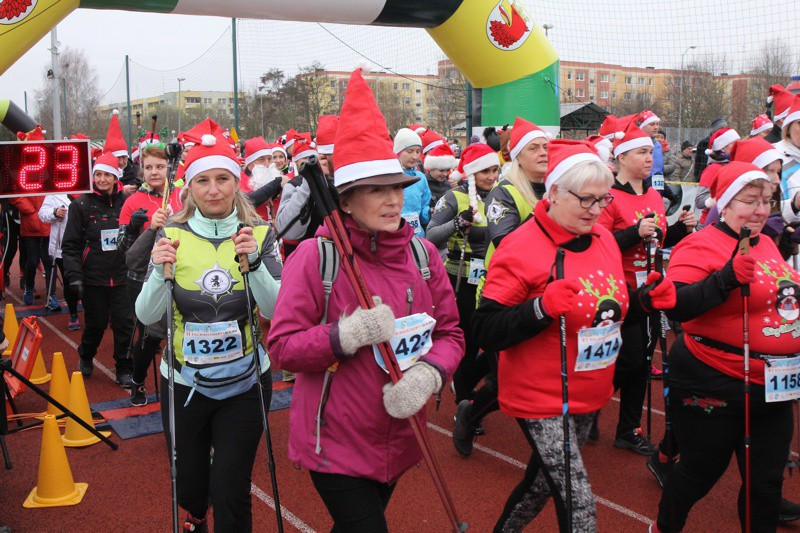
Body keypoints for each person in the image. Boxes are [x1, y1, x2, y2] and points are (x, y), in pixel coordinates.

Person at [267, 67, 463, 532]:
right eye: (377, 189)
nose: (393, 200)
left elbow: (451, 333)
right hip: (334, 443)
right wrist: (344, 334)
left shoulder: (423, 253)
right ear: (348, 201)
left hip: (401, 434)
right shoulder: (317, 258)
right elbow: (282, 347)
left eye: (397, 187)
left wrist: (431, 374)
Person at [472, 139, 676, 532]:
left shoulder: (602, 241)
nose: (598, 211)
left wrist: (646, 302)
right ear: (554, 193)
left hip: (589, 389)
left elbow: (609, 312)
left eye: (602, 201)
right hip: (540, 395)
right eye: (586, 200)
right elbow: (485, 328)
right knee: (580, 505)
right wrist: (539, 308)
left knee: (539, 488)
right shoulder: (520, 246)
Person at [136, 121, 282, 531]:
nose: (214, 190)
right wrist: (157, 270)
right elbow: (147, 315)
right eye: (203, 180)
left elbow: (276, 308)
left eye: (223, 179)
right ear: (189, 188)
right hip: (184, 384)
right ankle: (196, 516)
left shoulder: (260, 234)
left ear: (237, 183)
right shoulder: (171, 234)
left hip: (246, 383)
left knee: (231, 489)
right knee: (191, 488)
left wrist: (253, 264)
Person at [652, 162, 800, 532]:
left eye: (767, 200)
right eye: (750, 201)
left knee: (765, 484)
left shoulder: (766, 242)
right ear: (727, 203)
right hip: (713, 381)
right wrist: (725, 279)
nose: (761, 210)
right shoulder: (699, 243)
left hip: (774, 387)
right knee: (699, 474)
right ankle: (665, 527)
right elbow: (678, 304)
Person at [598, 119, 696, 454]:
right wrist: (632, 233)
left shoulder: (655, 195)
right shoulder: (609, 196)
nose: (648, 157)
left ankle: (627, 428)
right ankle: (590, 406)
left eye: (650, 152)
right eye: (641, 152)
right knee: (625, 360)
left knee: (639, 361)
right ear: (622, 157)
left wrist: (681, 229)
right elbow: (598, 244)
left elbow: (659, 239)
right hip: (617, 288)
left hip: (651, 288)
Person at [452, 117, 550, 455]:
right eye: (534, 148)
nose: (543, 152)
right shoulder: (503, 192)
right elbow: (506, 240)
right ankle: (469, 412)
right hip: (503, 295)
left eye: (545, 146)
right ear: (517, 155)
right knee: (509, 381)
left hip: (547, 294)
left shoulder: (559, 186)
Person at [427, 143, 498, 413]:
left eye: (494, 170)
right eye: (484, 172)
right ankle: (464, 404)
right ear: (470, 174)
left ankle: (469, 382)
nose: (491, 177)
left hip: (493, 279)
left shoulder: (501, 195)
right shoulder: (454, 197)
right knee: (468, 343)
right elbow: (430, 235)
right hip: (462, 279)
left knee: (492, 341)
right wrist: (458, 223)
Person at [117, 144, 184, 406]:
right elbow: (122, 248)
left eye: (159, 166)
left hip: (179, 272)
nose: (154, 172)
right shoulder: (132, 201)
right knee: (150, 334)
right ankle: (137, 380)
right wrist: (135, 227)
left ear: (168, 168)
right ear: (141, 170)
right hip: (142, 278)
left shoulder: (182, 195)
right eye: (148, 167)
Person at [62, 152, 135, 387]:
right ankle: (85, 354)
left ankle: (124, 366)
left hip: (123, 276)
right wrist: (74, 275)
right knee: (96, 324)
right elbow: (71, 244)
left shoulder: (127, 202)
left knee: (124, 324)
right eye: (98, 174)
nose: (102, 179)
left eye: (107, 175)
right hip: (94, 278)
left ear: (116, 178)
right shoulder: (80, 205)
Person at [38, 194, 80, 328]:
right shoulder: (53, 194)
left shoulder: (87, 191)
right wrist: (54, 212)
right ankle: (74, 314)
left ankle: (94, 312)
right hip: (64, 248)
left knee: (90, 280)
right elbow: (42, 214)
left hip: (85, 245)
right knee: (70, 281)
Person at [11, 195, 54, 308]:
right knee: (33, 260)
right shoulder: (25, 180)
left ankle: (51, 294)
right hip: (30, 226)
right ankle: (28, 287)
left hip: (49, 224)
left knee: (49, 261)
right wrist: (31, 211)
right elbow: (15, 196)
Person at [694, 127, 740, 225]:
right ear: (722, 147)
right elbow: (699, 200)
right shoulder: (713, 169)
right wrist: (722, 198)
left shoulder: (736, 166)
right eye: (733, 143)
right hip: (710, 225)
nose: (738, 146)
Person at [394, 128, 431, 236]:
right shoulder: (390, 177)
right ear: (398, 152)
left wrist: (430, 212)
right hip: (395, 236)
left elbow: (424, 205)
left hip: (417, 237)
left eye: (418, 151)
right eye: (409, 151)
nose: (415, 156)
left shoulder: (421, 178)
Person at [104, 110, 140, 194]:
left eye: (124, 157)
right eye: (118, 158)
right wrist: (120, 190)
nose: (121, 162)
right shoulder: (101, 174)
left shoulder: (136, 171)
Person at [424, 142, 458, 216]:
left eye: (447, 170)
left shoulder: (447, 184)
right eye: (441, 170)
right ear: (431, 167)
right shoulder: (424, 183)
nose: (445, 174)